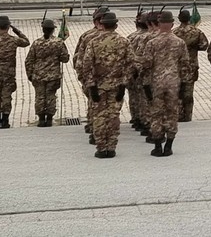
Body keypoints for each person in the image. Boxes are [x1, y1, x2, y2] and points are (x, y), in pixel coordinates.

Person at [139, 10, 192, 156]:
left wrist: (145, 84)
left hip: (156, 83)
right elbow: (185, 65)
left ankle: (157, 146)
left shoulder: (152, 43)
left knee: (156, 114)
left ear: (159, 23)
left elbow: (146, 65)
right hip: (173, 83)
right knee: (172, 114)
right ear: (172, 24)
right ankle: (169, 145)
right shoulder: (179, 42)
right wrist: (185, 85)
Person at [82, 11, 130, 158]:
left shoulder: (93, 42)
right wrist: (124, 84)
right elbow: (131, 64)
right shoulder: (123, 41)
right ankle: (112, 146)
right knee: (113, 116)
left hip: (98, 86)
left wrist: (90, 85)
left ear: (102, 24)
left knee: (99, 117)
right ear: (116, 25)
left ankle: (102, 148)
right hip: (117, 87)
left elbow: (86, 65)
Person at [0, 15, 30, 128]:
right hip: (9, 73)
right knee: (6, 96)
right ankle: (5, 120)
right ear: (8, 26)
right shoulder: (13, 40)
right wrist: (17, 31)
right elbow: (26, 42)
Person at [25, 17, 69, 127]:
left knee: (40, 96)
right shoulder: (58, 42)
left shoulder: (36, 43)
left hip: (38, 75)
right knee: (50, 96)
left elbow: (29, 60)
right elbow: (65, 59)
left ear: (43, 30)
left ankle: (41, 118)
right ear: (53, 30)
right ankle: (49, 118)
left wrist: (29, 74)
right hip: (53, 75)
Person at [172, 9, 209, 122]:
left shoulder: (174, 32)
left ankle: (178, 115)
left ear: (179, 19)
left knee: (177, 92)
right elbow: (204, 45)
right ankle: (187, 116)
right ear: (189, 19)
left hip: (176, 67)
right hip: (191, 66)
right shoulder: (196, 32)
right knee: (188, 92)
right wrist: (192, 47)